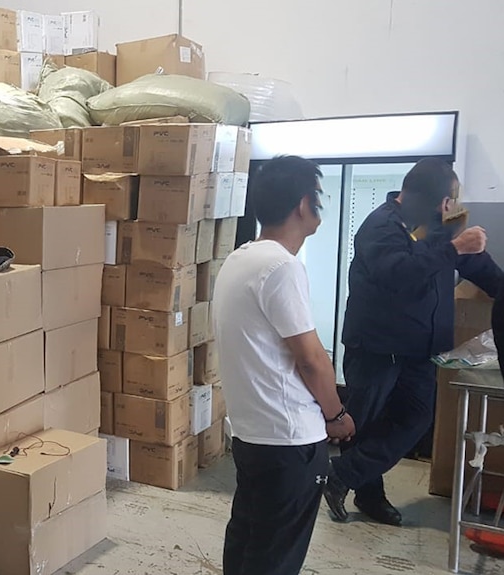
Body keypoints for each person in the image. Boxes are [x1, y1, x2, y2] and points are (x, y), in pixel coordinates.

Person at [325, 158, 504, 526]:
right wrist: (454, 249)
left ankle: (341, 475)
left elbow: (477, 264)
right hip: (375, 347)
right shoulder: (381, 225)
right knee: (365, 425)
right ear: (434, 199)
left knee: (416, 419)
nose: (451, 207)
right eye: (448, 200)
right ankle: (369, 495)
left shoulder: (443, 226)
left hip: (421, 350)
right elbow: (399, 272)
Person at [213, 155, 356, 575]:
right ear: (302, 205)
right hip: (290, 440)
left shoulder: (240, 259)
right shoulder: (281, 267)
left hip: (253, 436)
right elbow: (311, 360)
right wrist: (338, 415)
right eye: (318, 198)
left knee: (248, 542)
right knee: (275, 557)